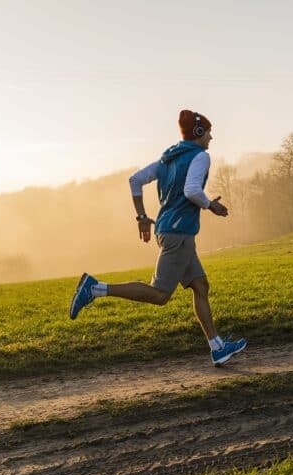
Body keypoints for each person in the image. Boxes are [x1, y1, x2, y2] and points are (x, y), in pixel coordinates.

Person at [69, 110, 247, 366]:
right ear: (198, 133)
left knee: (200, 286)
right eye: (208, 131)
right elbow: (192, 190)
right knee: (160, 295)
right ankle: (95, 289)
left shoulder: (167, 159)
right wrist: (211, 206)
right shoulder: (201, 156)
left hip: (171, 230)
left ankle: (217, 347)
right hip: (178, 234)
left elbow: (135, 180)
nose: (211, 136)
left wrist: (142, 216)